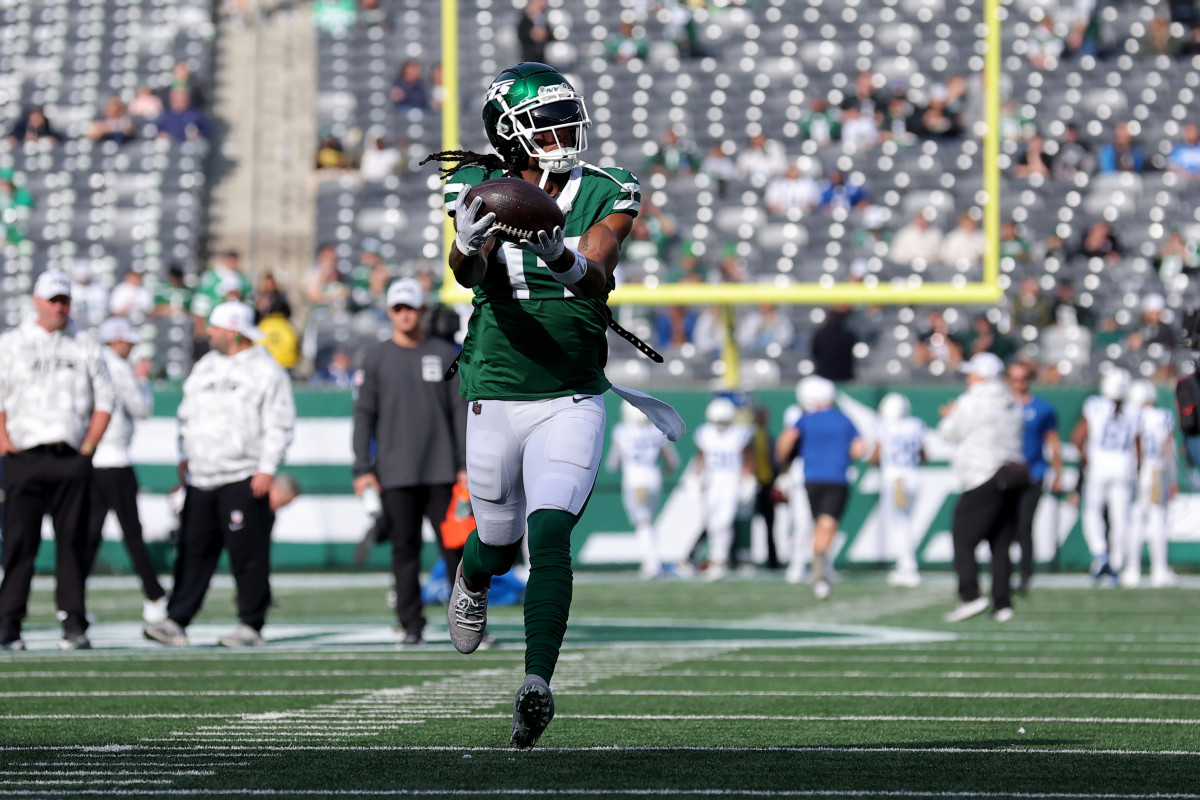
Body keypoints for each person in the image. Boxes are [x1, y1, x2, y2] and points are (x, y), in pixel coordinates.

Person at [422, 62, 680, 748]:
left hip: (570, 391)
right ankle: (472, 577)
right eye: (547, 121)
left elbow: (598, 270)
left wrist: (559, 256)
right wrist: (466, 247)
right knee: (499, 543)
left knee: (552, 535)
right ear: (509, 131)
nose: (565, 131)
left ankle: (537, 680)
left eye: (570, 118)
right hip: (497, 387)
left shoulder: (606, 188)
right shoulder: (472, 186)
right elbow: (468, 275)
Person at [143, 302, 295, 648]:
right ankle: (177, 620)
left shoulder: (265, 369)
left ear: (233, 330)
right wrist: (184, 455)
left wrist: (267, 467)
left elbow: (279, 422)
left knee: (248, 554)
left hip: (243, 475)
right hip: (201, 476)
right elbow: (186, 416)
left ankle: (251, 624)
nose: (207, 332)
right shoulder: (205, 367)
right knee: (192, 551)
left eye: (214, 327)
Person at [0, 271, 115, 651]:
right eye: (52, 299)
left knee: (73, 542)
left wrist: (88, 449)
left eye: (64, 299)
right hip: (25, 456)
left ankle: (73, 622)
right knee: (19, 542)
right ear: (36, 301)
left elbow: (105, 399)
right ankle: (9, 623)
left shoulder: (84, 342)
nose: (58, 306)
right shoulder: (12, 343)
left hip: (70, 455)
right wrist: (5, 444)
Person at [351, 279, 468, 645]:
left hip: (443, 471)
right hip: (395, 472)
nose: (404, 315)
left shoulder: (446, 353)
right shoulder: (376, 358)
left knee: (456, 551)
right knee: (405, 550)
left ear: (422, 311)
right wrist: (361, 468)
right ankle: (410, 624)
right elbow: (363, 416)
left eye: (411, 308)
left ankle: (466, 624)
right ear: (389, 312)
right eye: (398, 308)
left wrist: (465, 466)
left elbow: (460, 413)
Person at [85, 318, 166, 623]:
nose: (131, 347)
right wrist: (142, 380)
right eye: (128, 341)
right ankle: (153, 594)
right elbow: (141, 408)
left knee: (89, 535)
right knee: (132, 534)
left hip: (91, 461)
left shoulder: (89, 361)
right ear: (116, 340)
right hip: (114, 460)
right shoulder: (116, 367)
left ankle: (72, 599)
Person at [939, 352, 1026, 623]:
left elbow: (949, 432)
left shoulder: (971, 401)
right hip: (1012, 475)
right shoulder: (1011, 402)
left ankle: (970, 596)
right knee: (1000, 543)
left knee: (962, 538)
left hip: (982, 475)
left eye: (972, 373)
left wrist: (949, 414)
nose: (968, 378)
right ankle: (1002, 604)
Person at [775, 376, 865, 600]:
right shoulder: (843, 419)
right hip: (835, 478)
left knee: (811, 524)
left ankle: (814, 569)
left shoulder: (805, 418)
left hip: (810, 478)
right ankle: (821, 573)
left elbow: (785, 444)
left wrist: (785, 466)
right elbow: (859, 448)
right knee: (826, 525)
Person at [1071, 368, 1137, 585]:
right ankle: (1116, 564)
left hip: (1099, 466)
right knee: (1121, 518)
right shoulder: (1134, 409)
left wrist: (1086, 457)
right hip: (1123, 467)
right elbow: (1139, 445)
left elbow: (1078, 437)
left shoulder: (1095, 405)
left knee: (1092, 512)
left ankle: (1100, 554)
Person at [1008, 361, 1063, 595]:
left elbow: (1053, 441)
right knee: (1004, 528)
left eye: (1023, 379)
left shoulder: (1042, 408)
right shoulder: (1002, 406)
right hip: (1006, 475)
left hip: (1033, 474)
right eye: (1014, 379)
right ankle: (1003, 573)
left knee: (1024, 526)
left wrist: (1058, 471)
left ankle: (1025, 573)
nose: (1019, 384)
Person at [606, 403, 679, 579]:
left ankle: (653, 565)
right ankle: (651, 562)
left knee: (643, 523)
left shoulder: (622, 431)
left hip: (635, 480)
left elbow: (612, 463)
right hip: (654, 478)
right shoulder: (656, 429)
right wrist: (663, 472)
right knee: (649, 522)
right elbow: (672, 461)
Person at [1123, 380, 1179, 588]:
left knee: (1135, 519)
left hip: (1134, 471)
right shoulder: (1162, 416)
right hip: (1155, 470)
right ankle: (1159, 570)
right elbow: (1168, 449)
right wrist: (1173, 478)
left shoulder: (1129, 415)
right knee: (1157, 520)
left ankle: (1132, 570)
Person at [690, 397, 753, 581]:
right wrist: (696, 478)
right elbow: (701, 458)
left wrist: (748, 480)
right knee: (711, 523)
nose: (721, 425)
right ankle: (716, 560)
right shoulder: (705, 433)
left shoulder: (740, 433)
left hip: (731, 482)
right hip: (712, 483)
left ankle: (719, 560)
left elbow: (748, 458)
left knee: (724, 523)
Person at [871, 392, 926, 587]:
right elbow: (923, 454)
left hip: (895, 480)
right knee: (907, 522)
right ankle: (906, 564)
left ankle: (907, 566)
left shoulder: (884, 426)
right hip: (913, 476)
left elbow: (875, 455)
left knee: (899, 524)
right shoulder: (916, 425)